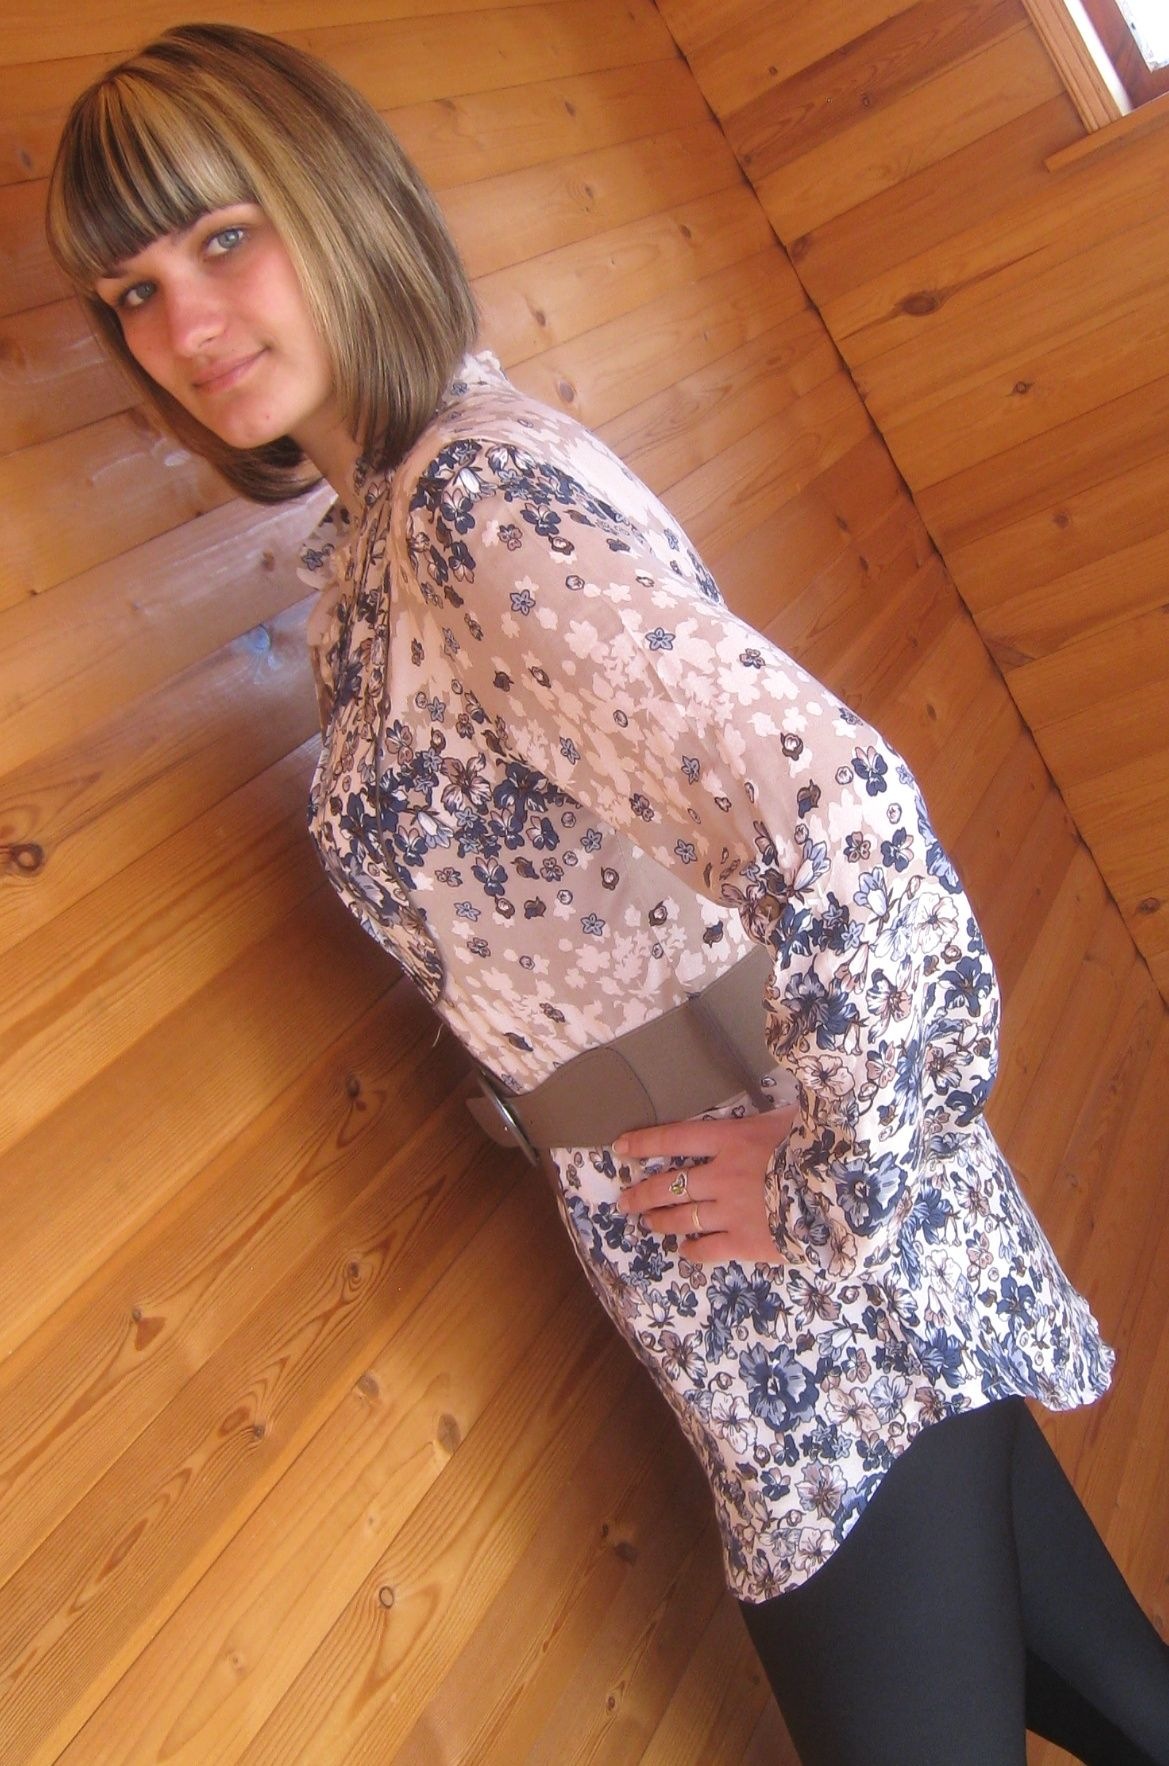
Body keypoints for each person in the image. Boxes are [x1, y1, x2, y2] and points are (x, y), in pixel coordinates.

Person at [46, 23, 1169, 1763]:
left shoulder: (468, 506)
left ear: (337, 202)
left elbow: (848, 822)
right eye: (133, 291)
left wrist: (832, 1176)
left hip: (806, 1267)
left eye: (224, 236)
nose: (185, 324)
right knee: (1115, 1691)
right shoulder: (384, 528)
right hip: (738, 1243)